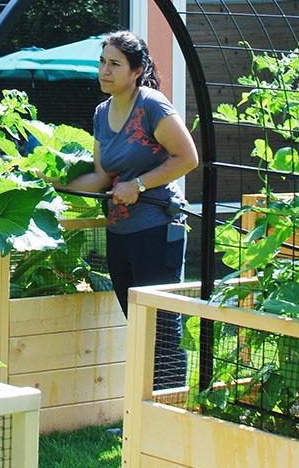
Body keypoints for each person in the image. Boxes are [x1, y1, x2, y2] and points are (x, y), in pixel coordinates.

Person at [56, 31, 199, 389]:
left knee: (162, 325)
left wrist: (138, 185)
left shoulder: (152, 105)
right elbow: (103, 176)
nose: (104, 70)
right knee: (137, 324)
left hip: (157, 227)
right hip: (119, 233)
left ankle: (169, 410)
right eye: (102, 62)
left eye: (114, 64)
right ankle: (142, 412)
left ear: (137, 71)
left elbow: (188, 158)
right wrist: (51, 189)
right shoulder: (102, 114)